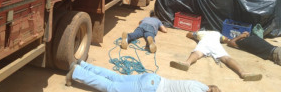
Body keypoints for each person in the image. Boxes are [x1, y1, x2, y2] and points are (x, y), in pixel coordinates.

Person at [66, 60, 221, 92]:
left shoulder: (200, 85)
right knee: (112, 87)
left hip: (153, 78)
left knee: (116, 77)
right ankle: (78, 72)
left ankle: (83, 65)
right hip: (150, 88)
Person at [169, 30, 262, 81]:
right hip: (215, 45)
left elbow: (188, 34)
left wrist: (194, 33)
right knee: (226, 58)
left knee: (197, 53)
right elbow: (227, 40)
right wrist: (241, 35)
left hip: (204, 42)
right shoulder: (218, 34)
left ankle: (187, 63)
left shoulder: (201, 33)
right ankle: (243, 72)